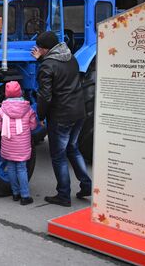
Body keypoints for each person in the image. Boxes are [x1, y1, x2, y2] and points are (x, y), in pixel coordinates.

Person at [32, 31, 92, 207]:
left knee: (58, 156)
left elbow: (45, 96)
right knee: (73, 148)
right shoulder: (71, 57)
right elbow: (60, 73)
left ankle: (63, 195)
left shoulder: (47, 65)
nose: (39, 51)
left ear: (44, 49)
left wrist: (41, 116)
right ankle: (86, 185)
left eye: (40, 49)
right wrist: (41, 60)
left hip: (61, 116)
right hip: (78, 111)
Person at [0, 81, 37, 205]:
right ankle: (25, 196)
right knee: (22, 168)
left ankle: (15, 193)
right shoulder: (27, 108)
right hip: (22, 144)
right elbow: (33, 126)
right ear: (20, 92)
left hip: (8, 143)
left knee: (11, 168)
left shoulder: (2, 109)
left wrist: (6, 130)